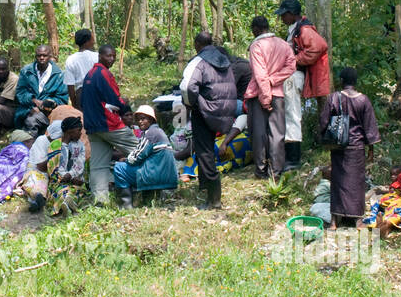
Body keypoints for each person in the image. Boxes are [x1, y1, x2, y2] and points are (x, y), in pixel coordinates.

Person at [179, 31, 239, 209]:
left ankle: (214, 199)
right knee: (205, 147)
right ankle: (204, 185)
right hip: (224, 110)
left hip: (205, 110)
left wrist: (190, 103)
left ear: (197, 44)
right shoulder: (223, 59)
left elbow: (187, 86)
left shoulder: (198, 61)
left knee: (204, 152)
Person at [319, 67, 381, 227]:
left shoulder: (334, 98)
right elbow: (370, 127)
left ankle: (334, 222)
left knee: (338, 182)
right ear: (355, 82)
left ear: (341, 81)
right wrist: (371, 149)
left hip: (339, 146)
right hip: (357, 147)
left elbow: (324, 121)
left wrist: (324, 137)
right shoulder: (364, 100)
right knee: (356, 182)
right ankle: (358, 220)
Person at [79, 44, 139, 206]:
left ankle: (100, 200)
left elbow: (83, 100)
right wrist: (126, 108)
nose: (111, 59)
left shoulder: (89, 75)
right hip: (109, 125)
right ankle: (154, 187)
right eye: (108, 56)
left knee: (98, 164)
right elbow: (114, 99)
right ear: (100, 56)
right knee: (142, 151)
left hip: (92, 126)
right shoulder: (104, 74)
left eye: (113, 56)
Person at [277, 0, 330, 172]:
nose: (282, 18)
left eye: (284, 15)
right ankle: (290, 155)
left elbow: (319, 46)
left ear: (292, 14)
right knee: (289, 113)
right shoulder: (296, 29)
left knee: (292, 113)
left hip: (295, 76)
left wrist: (295, 60)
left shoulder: (304, 29)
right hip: (291, 75)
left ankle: (294, 158)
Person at [243, 15, 297, 180]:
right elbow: (291, 66)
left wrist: (265, 96)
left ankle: (261, 169)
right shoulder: (283, 44)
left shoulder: (257, 46)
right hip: (279, 94)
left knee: (258, 133)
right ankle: (276, 171)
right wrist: (275, 80)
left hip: (260, 94)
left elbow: (260, 75)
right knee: (277, 133)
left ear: (256, 29)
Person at [112, 105, 179, 207]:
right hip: (166, 175)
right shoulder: (159, 131)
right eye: (138, 120)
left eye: (143, 119)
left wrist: (125, 160)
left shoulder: (150, 134)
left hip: (156, 175)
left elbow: (136, 157)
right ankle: (146, 201)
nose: (140, 122)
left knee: (119, 168)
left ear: (151, 119)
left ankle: (125, 206)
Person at [20, 117, 88, 215]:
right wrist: (63, 175)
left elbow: (77, 163)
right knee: (46, 186)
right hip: (48, 176)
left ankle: (65, 202)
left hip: (65, 177)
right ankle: (44, 200)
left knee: (72, 189)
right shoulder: (49, 143)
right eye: (78, 131)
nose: (81, 133)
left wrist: (70, 175)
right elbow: (46, 167)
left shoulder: (75, 145)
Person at [14, 44, 68, 135]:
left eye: (45, 55)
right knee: (27, 121)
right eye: (39, 55)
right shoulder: (26, 71)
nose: (42, 58)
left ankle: (32, 145)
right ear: (35, 56)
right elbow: (20, 92)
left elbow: (62, 98)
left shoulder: (59, 74)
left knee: (32, 120)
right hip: (27, 109)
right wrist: (34, 101)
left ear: (50, 56)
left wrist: (45, 105)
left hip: (50, 112)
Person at [63, 28, 99, 107]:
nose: (93, 41)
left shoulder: (71, 59)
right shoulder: (97, 56)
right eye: (92, 39)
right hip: (97, 92)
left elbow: (70, 85)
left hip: (81, 94)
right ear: (88, 41)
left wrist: (74, 103)